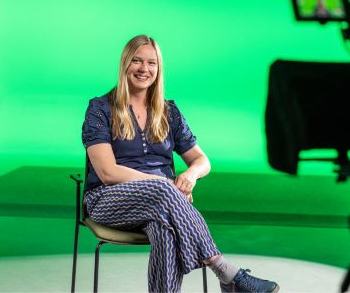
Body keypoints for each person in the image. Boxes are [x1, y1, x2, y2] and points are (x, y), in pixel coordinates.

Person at [81, 35, 280, 293]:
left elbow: (202, 160)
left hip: (163, 205)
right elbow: (108, 173)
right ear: (125, 65)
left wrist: (191, 176)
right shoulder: (100, 109)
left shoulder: (168, 112)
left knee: (165, 229)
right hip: (107, 201)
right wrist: (169, 187)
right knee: (165, 193)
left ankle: (225, 279)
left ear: (158, 69)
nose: (144, 69)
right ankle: (226, 272)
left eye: (151, 63)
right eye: (137, 61)